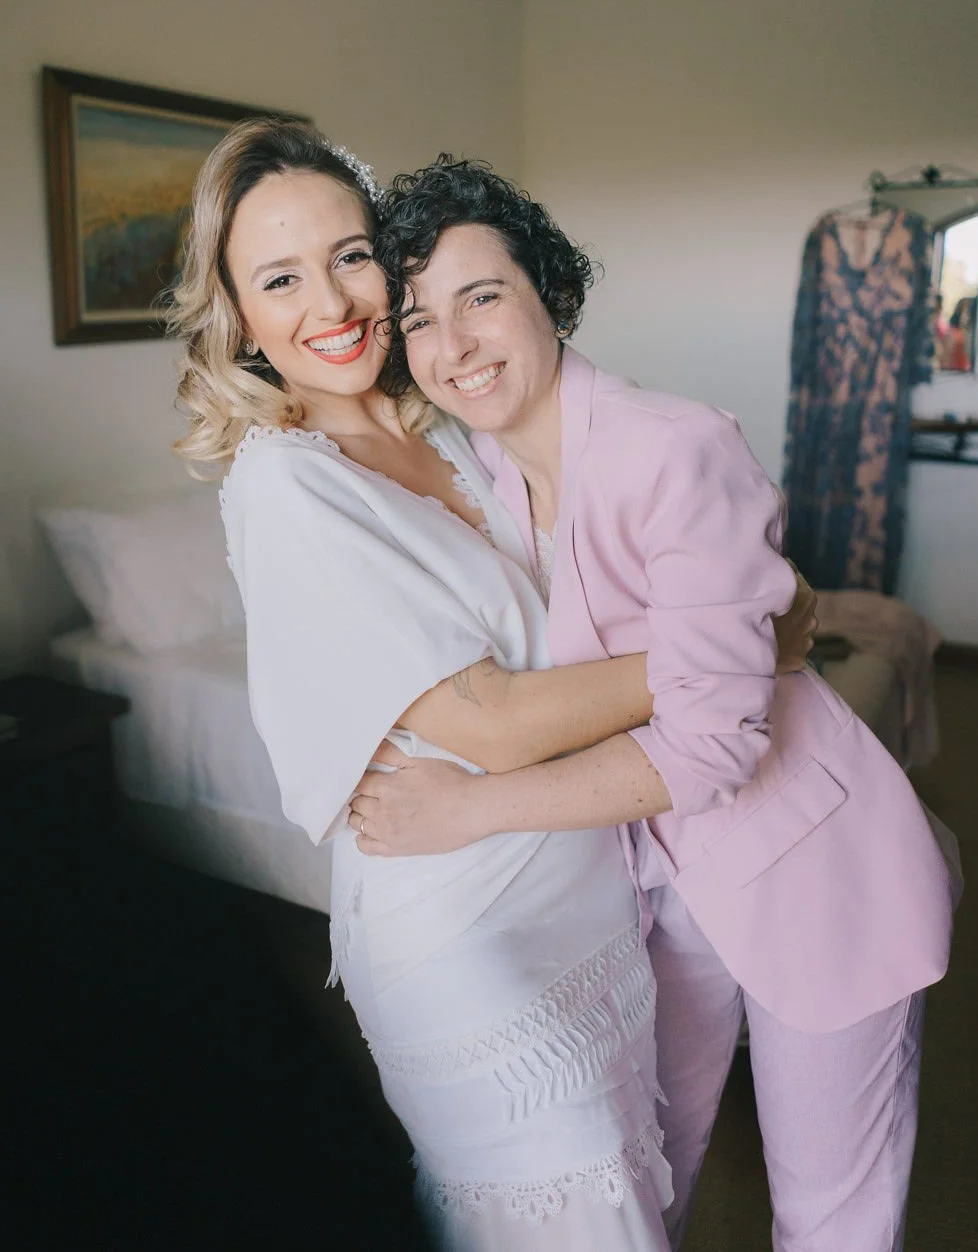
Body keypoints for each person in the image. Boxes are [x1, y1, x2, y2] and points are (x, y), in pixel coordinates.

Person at [353, 157, 960, 1252]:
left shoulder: (673, 447)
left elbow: (713, 742)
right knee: (642, 1179)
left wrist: (466, 807)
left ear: (551, 294)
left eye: (482, 296)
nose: (456, 344)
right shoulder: (483, 470)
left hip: (809, 863)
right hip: (650, 881)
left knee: (832, 1216)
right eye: (420, 319)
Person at [168, 118, 683, 1252]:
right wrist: (723, 651)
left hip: (585, 889)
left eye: (351, 257)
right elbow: (488, 723)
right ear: (237, 313)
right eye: (281, 278)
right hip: (464, 930)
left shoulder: (444, 430)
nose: (332, 304)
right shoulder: (285, 485)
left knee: (628, 1189)